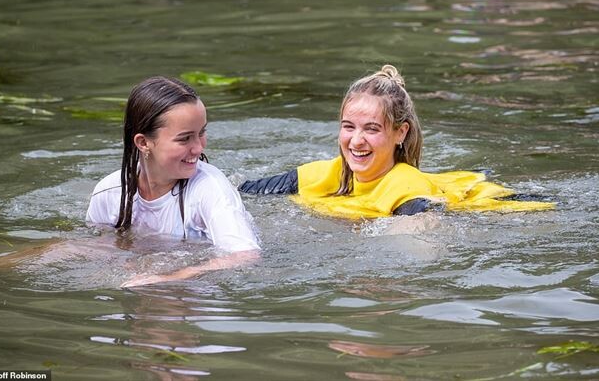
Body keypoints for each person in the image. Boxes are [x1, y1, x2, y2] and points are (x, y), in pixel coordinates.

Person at [239, 64, 554, 220]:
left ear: (400, 133)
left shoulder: (406, 190)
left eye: (372, 129)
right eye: (349, 127)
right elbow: (240, 193)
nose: (356, 141)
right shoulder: (325, 174)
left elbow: (423, 243)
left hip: (505, 208)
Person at [87, 76, 260, 287]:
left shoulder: (210, 188)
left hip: (195, 297)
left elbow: (245, 255)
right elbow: (98, 246)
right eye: (185, 138)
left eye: (201, 133)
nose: (199, 148)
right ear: (143, 142)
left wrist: (170, 279)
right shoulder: (109, 192)